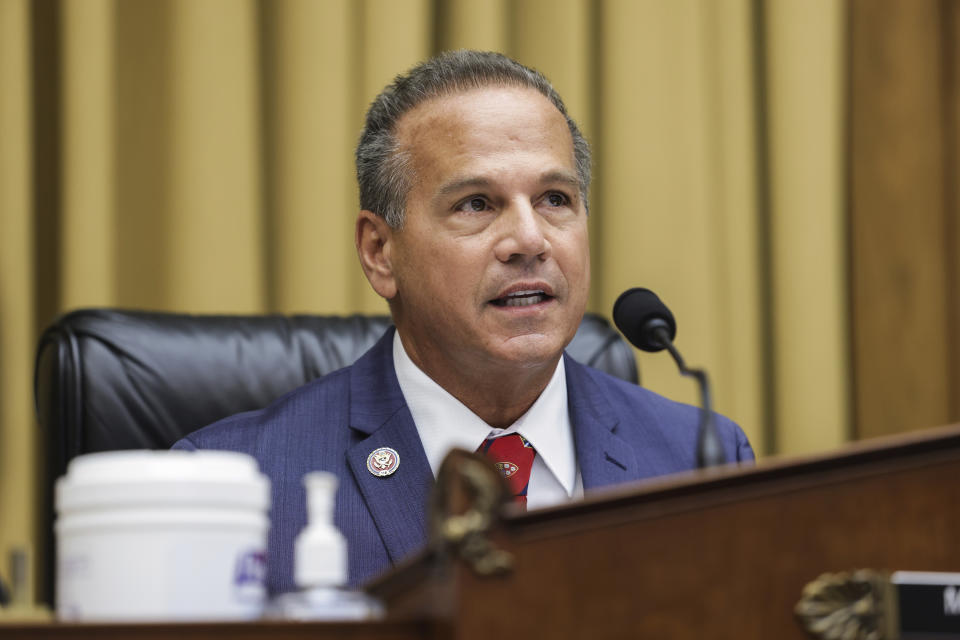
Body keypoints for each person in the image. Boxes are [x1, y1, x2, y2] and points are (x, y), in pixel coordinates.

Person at [174, 50, 754, 594]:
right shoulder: (235, 491)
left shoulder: (700, 457)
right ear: (380, 251)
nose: (530, 239)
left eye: (555, 198)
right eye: (476, 204)